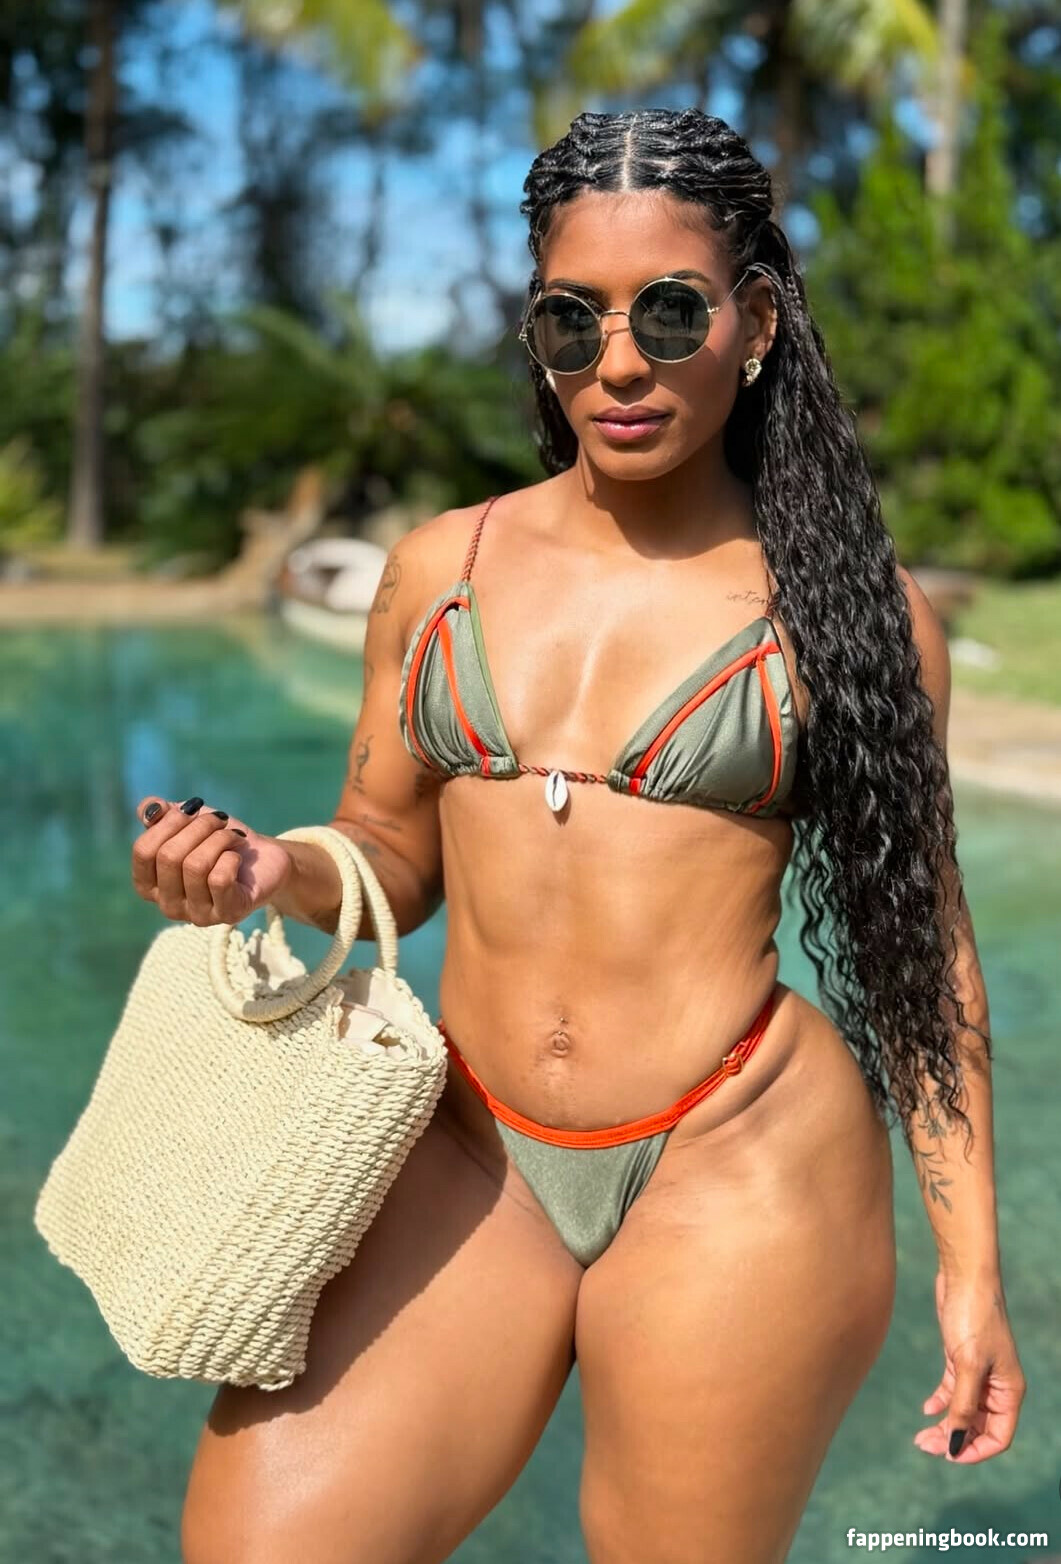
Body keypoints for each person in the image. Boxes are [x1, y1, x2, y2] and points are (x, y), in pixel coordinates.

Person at [132, 107, 1025, 1564]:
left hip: (737, 1160)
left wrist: (970, 1270)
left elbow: (920, 962)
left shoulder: (852, 617)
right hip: (469, 1144)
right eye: (572, 319)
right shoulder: (441, 568)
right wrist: (267, 871)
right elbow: (388, 850)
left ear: (754, 324)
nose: (618, 363)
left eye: (669, 313)